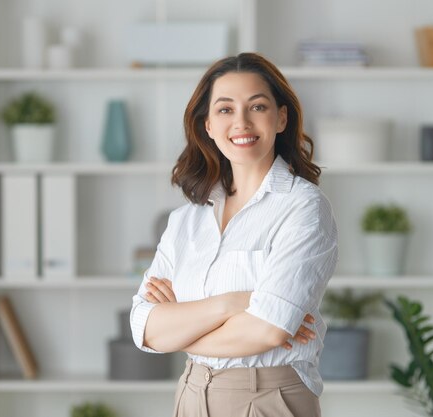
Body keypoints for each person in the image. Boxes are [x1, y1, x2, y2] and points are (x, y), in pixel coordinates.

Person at [130, 52, 338, 417]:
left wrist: (179, 331)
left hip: (267, 396)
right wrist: (236, 302)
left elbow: (267, 331)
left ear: (281, 118)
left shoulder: (303, 206)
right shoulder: (185, 220)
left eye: (257, 107)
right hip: (191, 393)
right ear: (207, 124)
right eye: (225, 109)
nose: (241, 122)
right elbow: (144, 327)